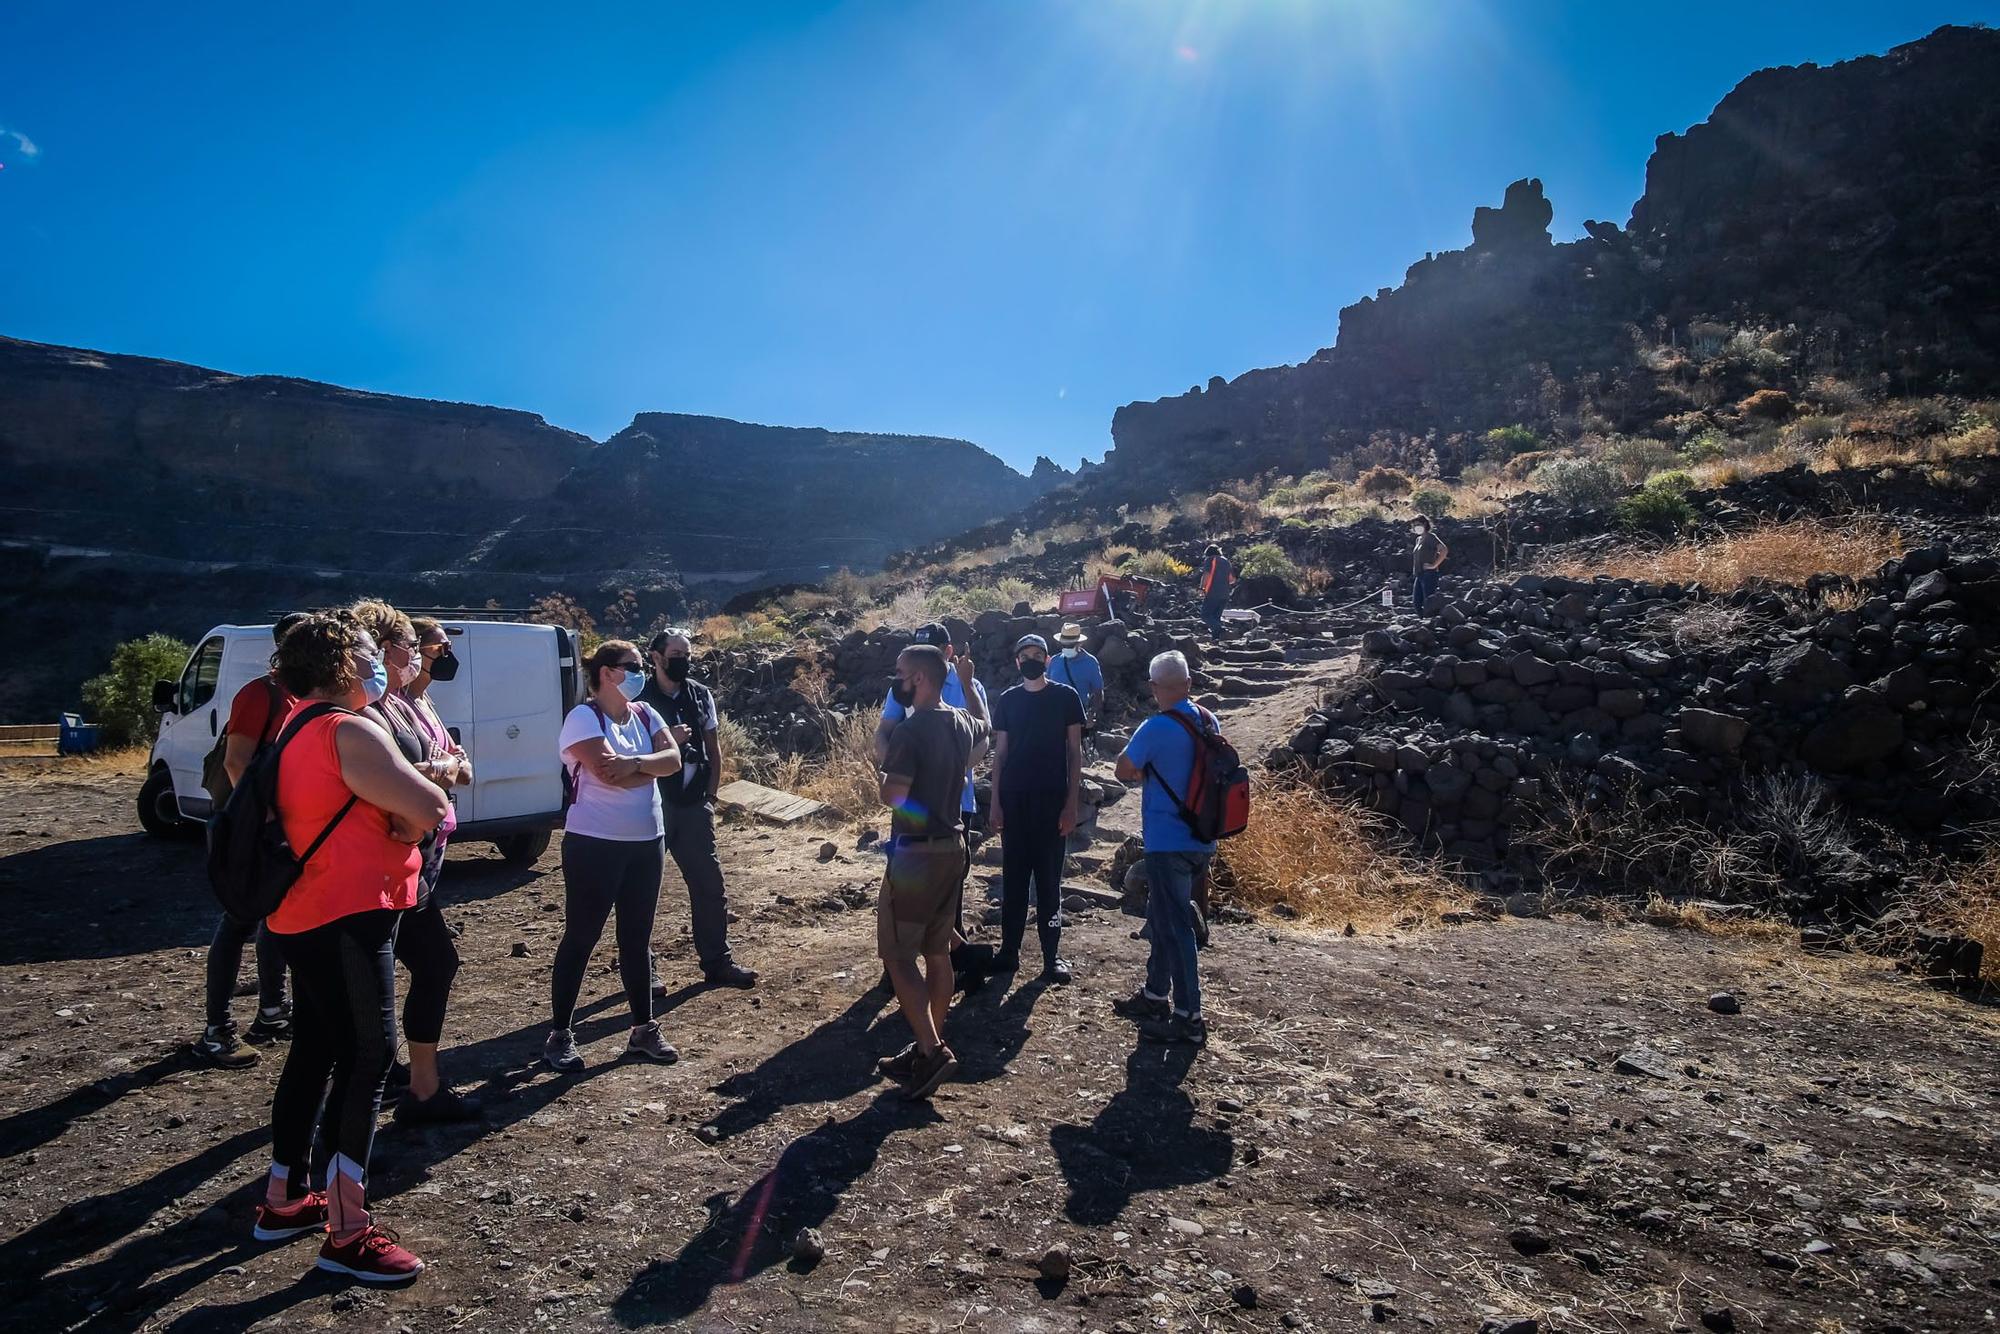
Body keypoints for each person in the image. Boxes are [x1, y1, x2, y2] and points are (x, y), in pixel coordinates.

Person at [255, 612, 449, 1282]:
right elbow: (427, 807)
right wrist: (403, 823)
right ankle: (348, 1232)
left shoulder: (296, 726)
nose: (377, 664)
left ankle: (284, 1198)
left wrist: (396, 818)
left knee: (315, 1047)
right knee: (368, 1058)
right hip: (348, 917)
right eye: (367, 654)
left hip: (304, 917)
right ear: (341, 664)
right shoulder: (347, 729)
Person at [347, 603, 480, 1125]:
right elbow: (393, 779)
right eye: (415, 645)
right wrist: (436, 775)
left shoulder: (405, 703)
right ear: (386, 649)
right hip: (382, 871)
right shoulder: (367, 712)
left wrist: (438, 773)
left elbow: (449, 765)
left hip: (416, 867)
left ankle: (421, 1088)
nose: (433, 654)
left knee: (434, 964)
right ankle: (350, 1134)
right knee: (370, 1003)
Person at [544, 640, 684, 1072]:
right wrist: (645, 767)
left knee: (637, 939)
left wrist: (636, 761)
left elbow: (673, 760)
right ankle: (560, 1034)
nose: (641, 672)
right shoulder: (583, 717)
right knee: (582, 936)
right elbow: (610, 775)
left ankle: (643, 1029)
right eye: (633, 666)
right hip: (594, 843)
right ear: (607, 672)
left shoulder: (645, 714)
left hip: (646, 841)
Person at [192, 611, 306, 1069]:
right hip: (249, 827)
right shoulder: (259, 694)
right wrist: (266, 822)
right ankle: (216, 1030)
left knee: (277, 915)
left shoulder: (300, 695)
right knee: (239, 921)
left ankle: (272, 1012)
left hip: (279, 825)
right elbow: (237, 762)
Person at [876, 645, 990, 1100]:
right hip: (954, 846)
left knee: (898, 954)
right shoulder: (959, 721)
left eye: (901, 673)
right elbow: (985, 722)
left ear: (919, 679)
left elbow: (893, 796)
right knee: (939, 950)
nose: (897, 680)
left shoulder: (910, 731)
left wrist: (884, 776)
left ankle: (931, 1048)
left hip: (915, 856)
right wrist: (967, 681)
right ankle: (928, 1051)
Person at [639, 629, 756, 990]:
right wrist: (665, 741)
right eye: (675, 653)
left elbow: (713, 746)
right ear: (656, 657)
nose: (683, 660)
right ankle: (644, 972)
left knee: (709, 884)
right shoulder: (637, 699)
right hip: (650, 804)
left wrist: (711, 794)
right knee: (642, 890)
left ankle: (718, 961)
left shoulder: (701, 695)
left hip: (693, 804)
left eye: (687, 653)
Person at [1111, 650, 1215, 1047]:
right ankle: (1156, 994)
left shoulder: (1155, 728)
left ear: (1155, 688)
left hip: (1167, 840)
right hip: (1202, 839)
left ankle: (1189, 1016)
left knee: (1175, 928)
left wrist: (1143, 769)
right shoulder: (1207, 719)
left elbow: (1123, 768)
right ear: (1188, 683)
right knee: (1162, 915)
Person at [988, 634, 1085, 983]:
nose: (1031, 659)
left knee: (1048, 881)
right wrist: (996, 802)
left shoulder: (1065, 698)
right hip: (1014, 801)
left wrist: (1071, 805)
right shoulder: (1008, 701)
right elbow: (1000, 755)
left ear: (1047, 660)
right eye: (1024, 654)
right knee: (1014, 880)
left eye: (1038, 654)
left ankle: (1051, 957)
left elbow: (1074, 754)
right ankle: (1008, 953)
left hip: (1051, 801)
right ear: (1017, 661)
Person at [1047, 623, 1104, 726]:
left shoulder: (1090, 662)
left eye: (1070, 645)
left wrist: (1092, 713)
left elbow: (1098, 692)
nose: (1067, 647)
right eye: (1064, 645)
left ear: (1080, 643)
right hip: (1053, 715)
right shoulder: (1054, 661)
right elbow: (1046, 687)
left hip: (1077, 715)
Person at [1411, 516, 1449, 612]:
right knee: (1416, 602)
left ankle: (1430, 623)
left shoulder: (1430, 537)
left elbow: (1444, 550)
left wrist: (1434, 565)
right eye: (1414, 525)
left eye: (1418, 524)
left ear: (1424, 524)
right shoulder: (1418, 539)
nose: (1416, 527)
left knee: (1428, 601)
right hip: (1419, 574)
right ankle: (1422, 622)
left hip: (1429, 574)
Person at [1198, 545, 1235, 637]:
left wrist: (1202, 588)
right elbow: (1232, 580)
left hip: (1212, 592)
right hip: (1225, 594)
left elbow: (1206, 574)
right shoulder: (1226, 561)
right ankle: (1217, 639)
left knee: (1205, 615)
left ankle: (1221, 630)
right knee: (1215, 617)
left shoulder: (1211, 559)